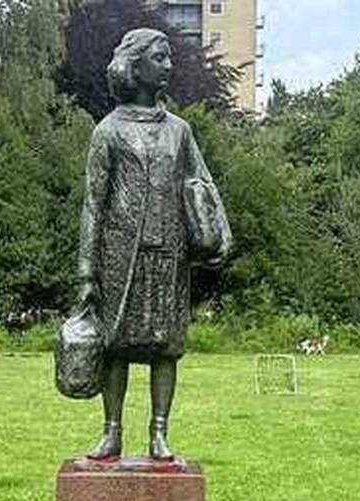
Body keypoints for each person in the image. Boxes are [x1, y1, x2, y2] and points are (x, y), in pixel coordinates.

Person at [76, 28, 231, 460]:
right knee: (115, 346)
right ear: (136, 65)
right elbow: (93, 204)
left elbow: (203, 187)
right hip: (119, 255)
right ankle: (112, 431)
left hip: (170, 253)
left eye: (168, 58)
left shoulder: (179, 132)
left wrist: (216, 235)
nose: (168, 65)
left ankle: (159, 432)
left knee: (166, 346)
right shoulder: (108, 131)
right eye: (160, 58)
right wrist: (86, 272)